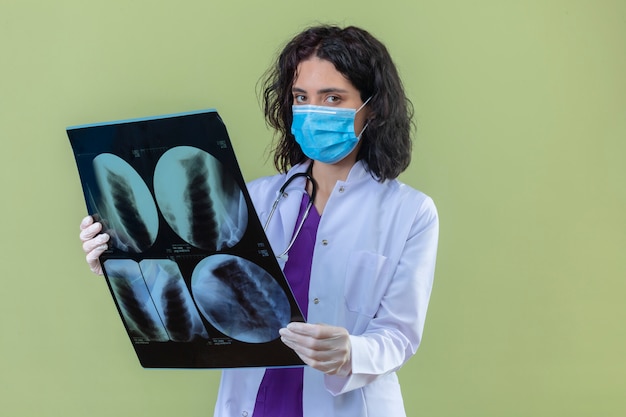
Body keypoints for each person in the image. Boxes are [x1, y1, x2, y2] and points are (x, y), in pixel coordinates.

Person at [79, 24, 438, 417]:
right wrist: (122, 260)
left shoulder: (411, 213)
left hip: (345, 403)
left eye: (332, 98)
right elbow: (193, 286)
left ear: (373, 107)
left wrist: (353, 351)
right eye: (302, 98)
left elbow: (399, 335)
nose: (313, 112)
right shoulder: (256, 198)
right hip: (256, 402)